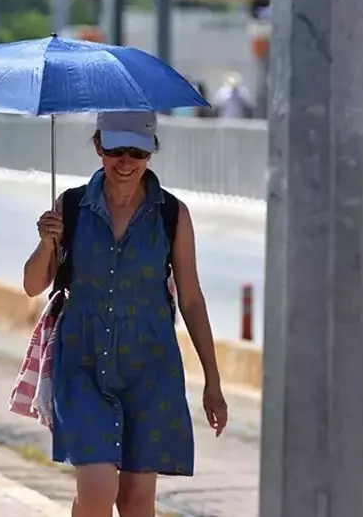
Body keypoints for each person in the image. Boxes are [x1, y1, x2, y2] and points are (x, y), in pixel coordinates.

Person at [21, 111, 228, 517]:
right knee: (99, 491)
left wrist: (213, 382)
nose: (126, 161)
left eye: (138, 151)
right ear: (99, 146)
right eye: (116, 149)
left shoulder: (172, 214)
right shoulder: (73, 206)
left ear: (152, 151)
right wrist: (47, 243)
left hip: (149, 368)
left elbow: (191, 300)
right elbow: (32, 285)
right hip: (82, 363)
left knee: (136, 503)